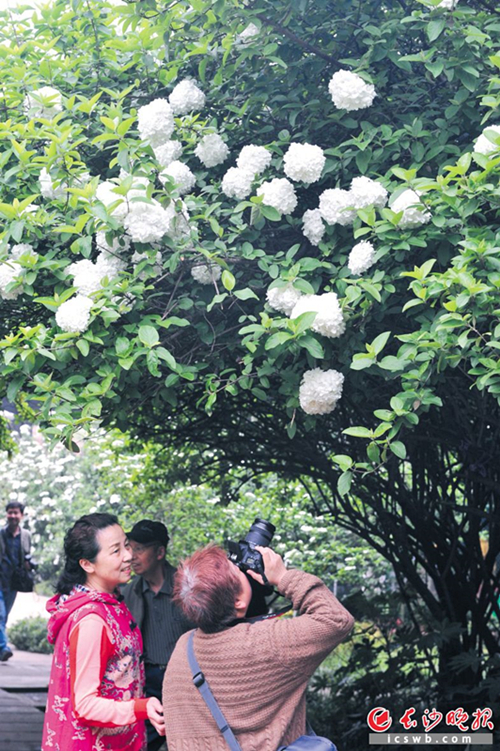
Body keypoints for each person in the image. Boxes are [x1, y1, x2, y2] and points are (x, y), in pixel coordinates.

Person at [162, 544, 355, 751]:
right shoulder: (268, 642)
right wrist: (283, 577)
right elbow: (336, 619)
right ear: (238, 601)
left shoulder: (184, 647)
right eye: (237, 570)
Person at [41, 512, 165, 751]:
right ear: (87, 564)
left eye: (126, 546)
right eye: (116, 551)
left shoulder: (110, 603)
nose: (129, 556)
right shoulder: (92, 620)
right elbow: (86, 705)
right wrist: (142, 707)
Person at [123, 520, 193, 751]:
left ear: (160, 552)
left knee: (189, 741)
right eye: (129, 548)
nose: (132, 556)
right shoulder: (130, 591)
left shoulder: (187, 587)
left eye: (139, 549)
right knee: (145, 743)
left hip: (186, 681)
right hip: (148, 681)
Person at [0, 501, 32, 662]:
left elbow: (26, 555)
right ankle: (4, 648)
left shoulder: (26, 535)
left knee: (4, 617)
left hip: (13, 582)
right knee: (0, 614)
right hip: (0, 579)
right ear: (6, 514)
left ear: (21, 515)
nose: (12, 516)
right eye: (10, 512)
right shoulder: (0, 533)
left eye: (15, 513)